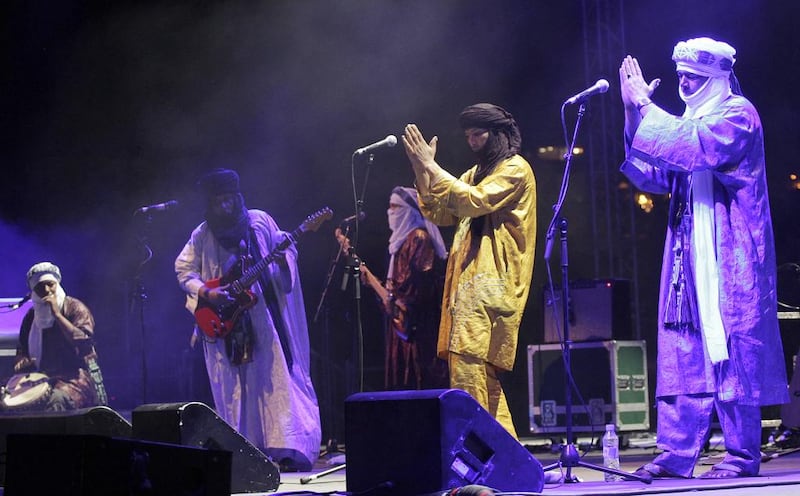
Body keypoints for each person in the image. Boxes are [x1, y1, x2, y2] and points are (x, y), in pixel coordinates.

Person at [619, 37, 788, 479]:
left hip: (731, 255)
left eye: (693, 76)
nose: (683, 83)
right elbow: (651, 173)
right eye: (680, 76)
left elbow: (696, 147)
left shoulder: (738, 114)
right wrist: (632, 109)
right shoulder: (685, 123)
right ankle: (675, 453)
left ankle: (739, 455)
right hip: (686, 255)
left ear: (716, 76)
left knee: (732, 347)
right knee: (682, 348)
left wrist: (648, 108)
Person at [401, 103, 537, 437]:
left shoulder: (515, 169)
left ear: (499, 134)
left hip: (492, 284)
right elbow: (440, 212)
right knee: (475, 371)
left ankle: (481, 449)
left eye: (479, 134)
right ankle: (507, 455)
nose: (472, 141)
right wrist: (421, 168)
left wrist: (433, 165)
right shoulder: (475, 175)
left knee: (468, 367)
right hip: (469, 284)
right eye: (468, 136)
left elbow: (473, 202)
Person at [175, 168, 321, 471]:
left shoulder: (259, 222)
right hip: (225, 322)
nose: (225, 207)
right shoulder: (202, 234)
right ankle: (244, 452)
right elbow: (183, 269)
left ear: (237, 197)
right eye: (219, 202)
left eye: (229, 199)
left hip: (263, 320)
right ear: (210, 204)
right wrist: (208, 293)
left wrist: (284, 258)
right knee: (235, 386)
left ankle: (285, 449)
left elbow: (286, 246)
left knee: (274, 379)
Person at [335, 186, 449, 390]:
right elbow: (392, 297)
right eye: (389, 208)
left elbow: (410, 297)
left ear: (409, 210)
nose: (390, 213)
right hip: (400, 337)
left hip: (419, 339)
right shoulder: (397, 246)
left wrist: (377, 286)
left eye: (395, 207)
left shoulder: (419, 239)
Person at [8, 262, 106, 412]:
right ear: (33, 292)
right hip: (39, 378)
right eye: (40, 288)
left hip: (74, 377)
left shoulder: (75, 308)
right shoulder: (30, 317)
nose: (46, 290)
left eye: (50, 284)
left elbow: (83, 342)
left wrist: (57, 315)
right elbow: (22, 351)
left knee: (56, 400)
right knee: (7, 397)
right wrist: (21, 361)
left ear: (57, 284)